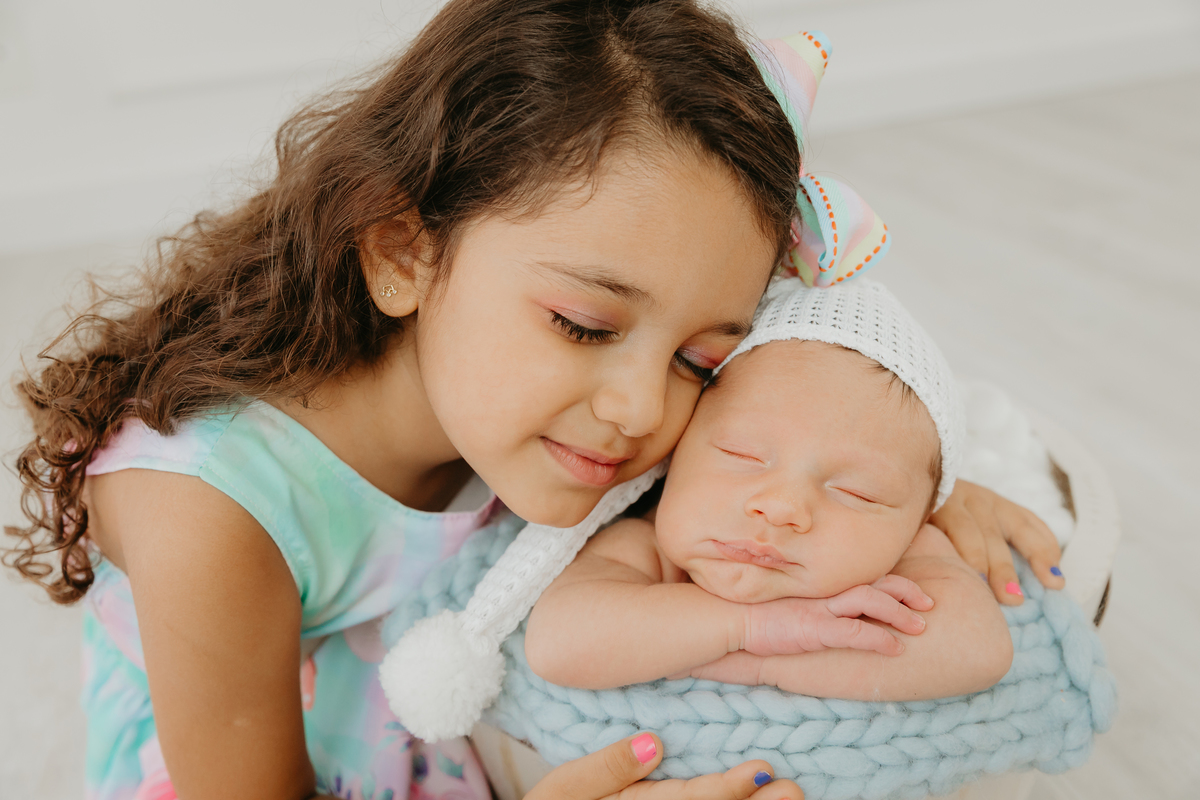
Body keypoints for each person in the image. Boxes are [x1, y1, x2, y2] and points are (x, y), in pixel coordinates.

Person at [1, 1, 1058, 798]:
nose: (644, 408)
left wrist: (919, 487)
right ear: (404, 251)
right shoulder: (209, 510)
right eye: (586, 327)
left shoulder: (537, 413)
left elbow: (820, 412)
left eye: (701, 359)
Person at [526, 278, 1018, 699]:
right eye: (743, 456)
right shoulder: (647, 544)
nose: (781, 507)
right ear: (675, 454)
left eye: (859, 493)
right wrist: (750, 628)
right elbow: (558, 644)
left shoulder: (905, 553)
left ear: (920, 517)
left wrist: (764, 664)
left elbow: (978, 651)